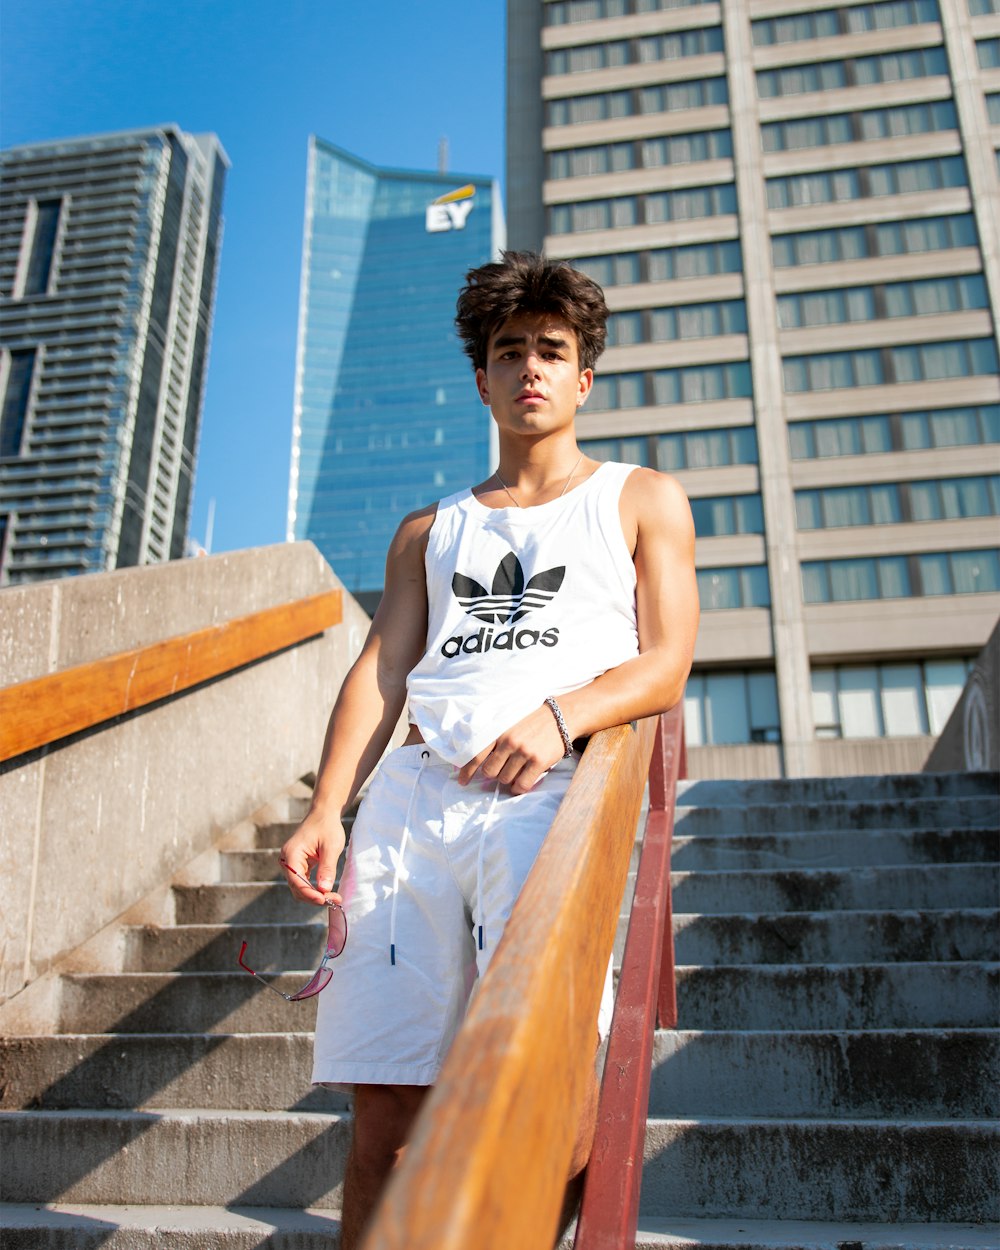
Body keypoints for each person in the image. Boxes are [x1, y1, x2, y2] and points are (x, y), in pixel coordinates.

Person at [280, 250, 699, 1248]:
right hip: (411, 805)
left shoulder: (641, 497)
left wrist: (562, 714)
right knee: (383, 1098)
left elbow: (668, 660)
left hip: (552, 795)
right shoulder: (429, 527)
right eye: (508, 352)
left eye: (552, 351)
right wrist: (326, 805)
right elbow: (383, 669)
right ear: (482, 378)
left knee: (543, 1070)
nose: (530, 369)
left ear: (583, 375)